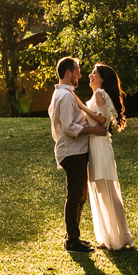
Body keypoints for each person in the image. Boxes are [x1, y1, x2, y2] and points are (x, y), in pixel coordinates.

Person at [48, 56, 107, 253]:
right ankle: (72, 241)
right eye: (77, 72)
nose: (80, 75)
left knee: (80, 196)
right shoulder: (65, 96)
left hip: (76, 151)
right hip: (72, 153)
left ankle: (74, 238)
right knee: (75, 196)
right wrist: (94, 130)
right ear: (68, 73)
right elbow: (69, 128)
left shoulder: (66, 94)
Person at [73, 63, 134, 250]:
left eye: (94, 73)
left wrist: (81, 105)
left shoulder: (99, 94)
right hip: (97, 145)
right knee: (104, 191)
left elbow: (102, 120)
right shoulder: (98, 94)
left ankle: (117, 237)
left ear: (103, 79)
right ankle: (114, 236)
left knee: (105, 190)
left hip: (99, 147)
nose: (90, 75)